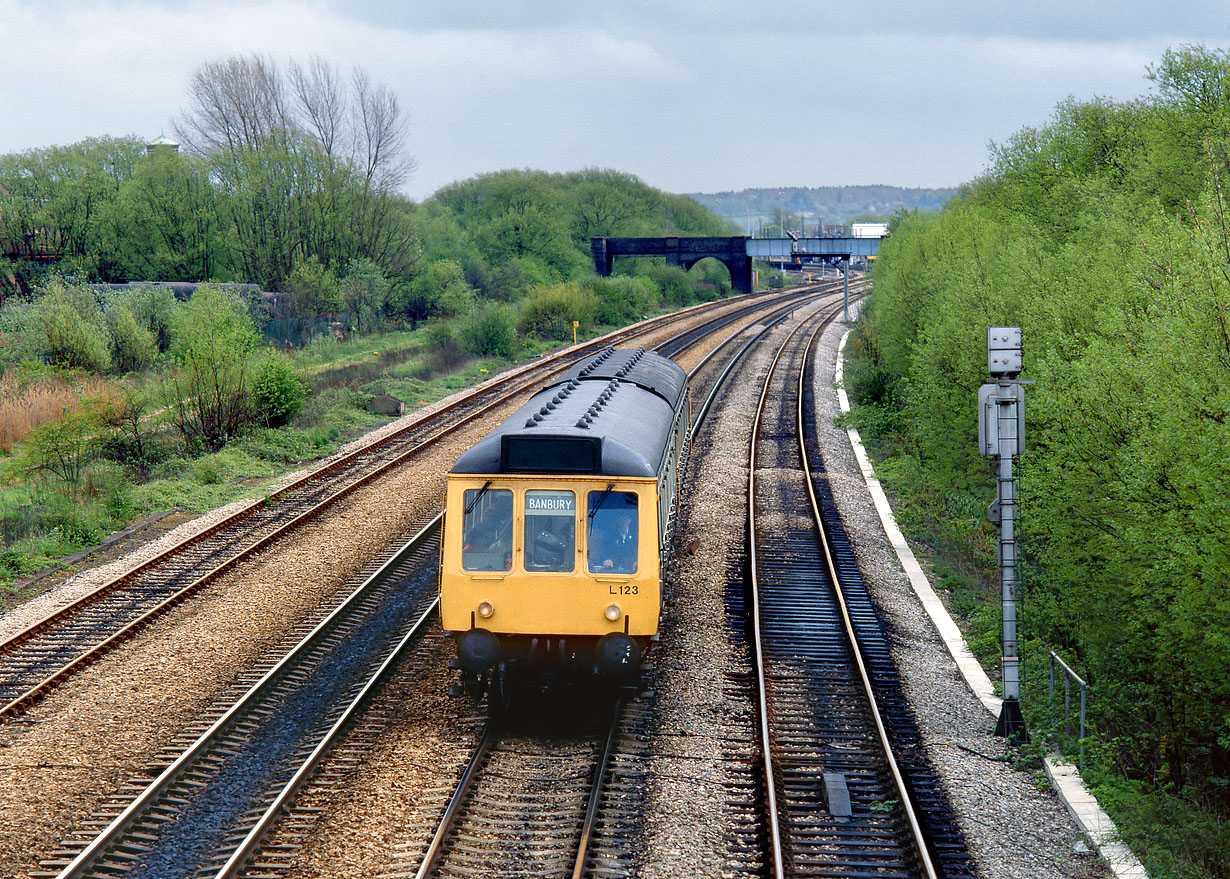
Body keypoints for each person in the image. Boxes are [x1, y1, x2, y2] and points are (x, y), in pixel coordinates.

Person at [590, 509, 637, 573]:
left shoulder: (636, 535)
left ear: (630, 520)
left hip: (633, 571)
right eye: (621, 519)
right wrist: (606, 560)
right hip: (613, 571)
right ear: (617, 521)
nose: (624, 521)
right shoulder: (609, 536)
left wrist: (637, 561)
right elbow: (604, 551)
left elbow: (639, 551)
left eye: (626, 518)